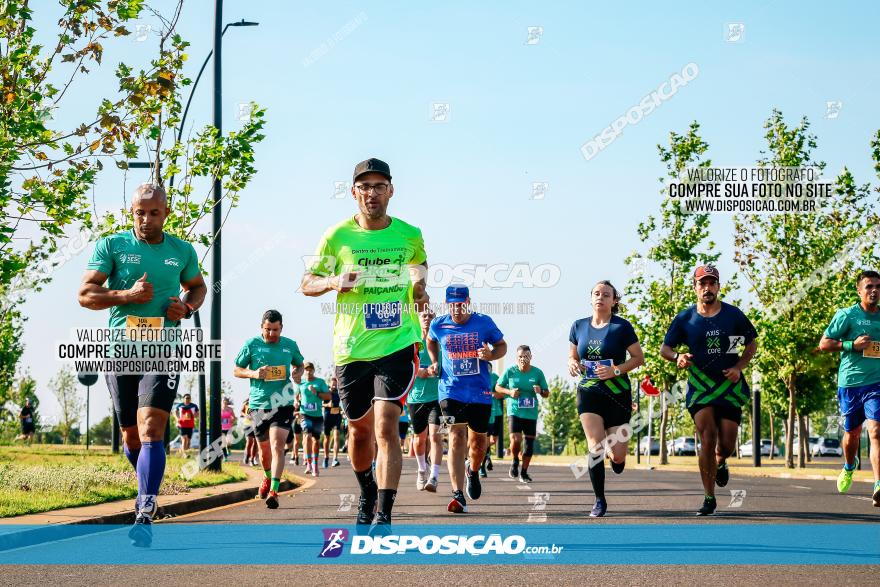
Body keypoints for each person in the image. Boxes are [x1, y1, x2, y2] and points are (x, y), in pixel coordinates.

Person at [301, 157, 429, 528]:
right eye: (365, 187)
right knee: (358, 432)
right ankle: (367, 492)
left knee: (387, 424)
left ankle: (384, 514)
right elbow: (307, 282)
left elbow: (420, 264)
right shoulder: (336, 236)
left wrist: (419, 287)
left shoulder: (409, 233)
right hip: (352, 347)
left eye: (379, 186)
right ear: (353, 192)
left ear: (391, 190)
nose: (371, 193)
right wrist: (332, 282)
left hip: (398, 341)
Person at [78, 183, 206, 546]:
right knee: (130, 436)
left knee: (152, 428)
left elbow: (197, 287)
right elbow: (85, 295)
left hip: (164, 350)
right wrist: (126, 295)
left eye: (153, 212)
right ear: (131, 211)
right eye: (139, 212)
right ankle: (147, 489)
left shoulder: (182, 250)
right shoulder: (112, 245)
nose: (146, 218)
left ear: (166, 213)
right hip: (121, 351)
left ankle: (144, 511)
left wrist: (188, 306)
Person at [661, 265, 758, 516]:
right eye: (702, 283)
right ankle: (708, 497)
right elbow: (665, 350)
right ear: (695, 287)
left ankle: (721, 461)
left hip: (729, 384)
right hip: (700, 385)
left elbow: (751, 344)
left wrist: (739, 366)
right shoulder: (685, 318)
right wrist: (677, 357)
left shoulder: (733, 315)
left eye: (712, 283)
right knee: (707, 435)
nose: (707, 288)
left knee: (726, 444)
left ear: (718, 286)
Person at [427, 285, 507, 513]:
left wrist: (491, 355)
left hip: (480, 392)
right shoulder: (438, 324)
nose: (456, 309)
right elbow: (430, 340)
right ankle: (457, 494)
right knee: (455, 437)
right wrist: (435, 361)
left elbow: (502, 345)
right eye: (452, 305)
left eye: (460, 304)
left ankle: (472, 470)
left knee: (479, 443)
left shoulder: (484, 322)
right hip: (450, 391)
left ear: (468, 301)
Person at [568, 280, 645, 517]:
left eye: (606, 294)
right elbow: (572, 355)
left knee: (618, 454)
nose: (600, 297)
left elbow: (638, 358)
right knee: (595, 445)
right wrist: (572, 363)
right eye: (596, 293)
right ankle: (599, 499)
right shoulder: (578, 326)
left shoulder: (622, 327)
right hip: (589, 392)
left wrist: (616, 370)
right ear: (591, 298)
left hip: (617, 393)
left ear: (614, 301)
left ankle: (617, 461)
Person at [818, 270, 880, 507]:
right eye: (869, 286)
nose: (874, 290)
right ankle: (848, 465)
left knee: (875, 432)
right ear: (859, 290)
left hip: (877, 383)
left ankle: (878, 485)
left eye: (878, 286)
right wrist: (851, 345)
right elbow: (824, 344)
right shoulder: (847, 315)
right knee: (852, 434)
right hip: (851, 384)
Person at [233, 309, 305, 509]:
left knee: (277, 445)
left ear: (281, 328)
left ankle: (274, 490)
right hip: (258, 405)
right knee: (264, 451)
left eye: (275, 330)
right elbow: (236, 370)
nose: (271, 334)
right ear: (261, 327)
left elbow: (300, 364)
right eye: (268, 330)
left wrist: (297, 373)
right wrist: (254, 374)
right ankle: (266, 477)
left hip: (283, 403)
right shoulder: (252, 345)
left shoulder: (290, 345)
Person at [497, 345, 549, 484]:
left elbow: (546, 393)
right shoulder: (510, 371)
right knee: (515, 439)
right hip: (514, 410)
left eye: (526, 356)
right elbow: (497, 387)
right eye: (520, 357)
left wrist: (540, 391)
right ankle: (515, 460)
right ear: (517, 358)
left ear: (530, 357)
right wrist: (509, 392)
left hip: (530, 413)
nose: (523, 359)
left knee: (529, 445)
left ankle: (524, 472)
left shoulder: (537, 373)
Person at [408, 317, 443, 493]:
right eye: (424, 316)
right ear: (418, 320)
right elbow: (403, 367)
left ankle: (434, 476)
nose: (428, 319)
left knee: (436, 436)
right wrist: (419, 372)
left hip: (439, 398)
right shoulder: (412, 341)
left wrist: (437, 368)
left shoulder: (441, 342)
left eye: (431, 316)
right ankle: (422, 469)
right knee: (419, 439)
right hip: (416, 398)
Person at [298, 362, 331, 476]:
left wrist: (316, 392)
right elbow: (297, 396)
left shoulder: (320, 382)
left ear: (313, 370)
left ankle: (315, 465)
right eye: (306, 369)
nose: (308, 371)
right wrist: (295, 402)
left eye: (310, 369)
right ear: (304, 371)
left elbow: (328, 396)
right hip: (305, 413)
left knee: (316, 441)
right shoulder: (301, 383)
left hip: (317, 415)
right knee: (307, 436)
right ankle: (308, 463)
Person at [482, 363, 502, 477]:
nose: (487, 369)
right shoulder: (478, 376)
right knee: (484, 439)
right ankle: (482, 466)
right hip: (485, 411)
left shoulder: (495, 377)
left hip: (497, 411)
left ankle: (487, 453)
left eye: (489, 367)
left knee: (493, 440)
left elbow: (502, 393)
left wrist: (495, 394)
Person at [322, 375, 343, 468]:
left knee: (337, 436)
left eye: (336, 383)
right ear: (330, 384)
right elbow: (320, 404)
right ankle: (326, 457)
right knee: (327, 438)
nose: (334, 384)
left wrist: (341, 409)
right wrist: (327, 405)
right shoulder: (326, 392)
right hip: (327, 416)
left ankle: (335, 458)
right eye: (333, 383)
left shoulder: (340, 393)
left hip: (337, 416)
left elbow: (342, 403)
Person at [240, 399, 258, 466]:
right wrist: (246, 415)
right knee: (249, 441)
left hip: (257, 425)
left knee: (255, 443)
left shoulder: (259, 403)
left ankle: (252, 459)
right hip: (247, 425)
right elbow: (241, 412)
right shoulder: (246, 404)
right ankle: (247, 455)